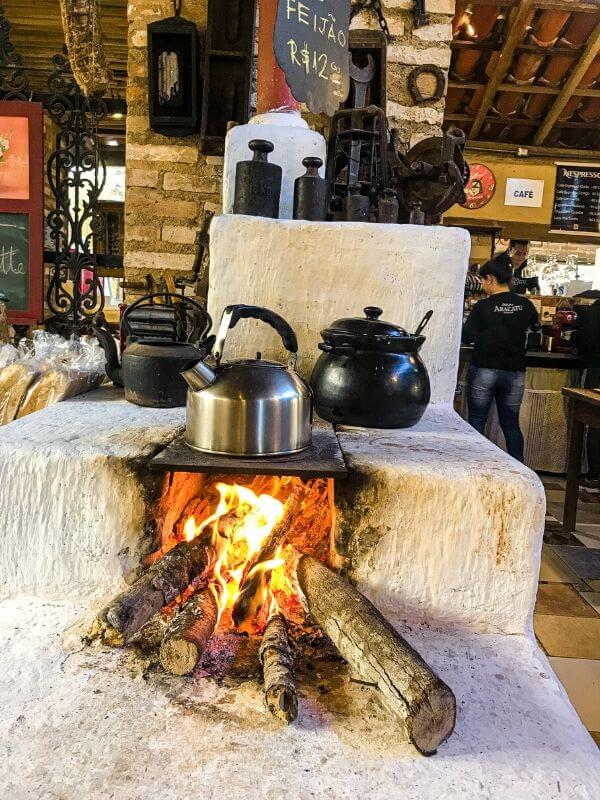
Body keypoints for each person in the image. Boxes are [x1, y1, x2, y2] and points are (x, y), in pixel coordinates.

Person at [462, 253, 540, 462]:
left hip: (485, 369)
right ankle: (519, 470)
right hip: (514, 373)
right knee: (511, 423)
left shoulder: (482, 307)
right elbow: (536, 328)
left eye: (482, 280)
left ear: (490, 279)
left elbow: (467, 336)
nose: (482, 285)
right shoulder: (525, 305)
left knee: (477, 420)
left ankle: (473, 467)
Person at [573, 297, 600, 488]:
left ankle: (594, 474)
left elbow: (584, 339)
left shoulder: (595, 310)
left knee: (595, 420)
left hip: (597, 368)